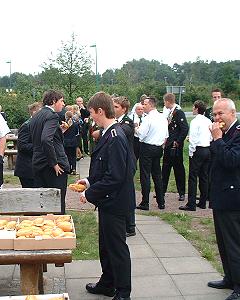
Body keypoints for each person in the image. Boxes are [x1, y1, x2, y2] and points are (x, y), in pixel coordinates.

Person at [77, 91, 135, 300]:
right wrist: (89, 181)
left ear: (100, 111)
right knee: (106, 246)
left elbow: (116, 176)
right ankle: (108, 283)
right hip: (109, 200)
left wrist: (90, 193)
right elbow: (105, 170)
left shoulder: (115, 136)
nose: (91, 117)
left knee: (117, 248)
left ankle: (123, 292)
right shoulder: (109, 133)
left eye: (92, 113)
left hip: (116, 201)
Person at [207, 98, 240, 300]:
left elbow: (231, 161)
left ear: (233, 114)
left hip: (233, 197)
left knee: (234, 243)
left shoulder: (237, 134)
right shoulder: (225, 133)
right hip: (220, 194)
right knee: (223, 242)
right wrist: (217, 140)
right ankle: (229, 277)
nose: (217, 118)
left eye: (221, 114)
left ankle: (239, 285)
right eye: (215, 114)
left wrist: (218, 139)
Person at [29, 90, 70, 214]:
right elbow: (46, 140)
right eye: (61, 100)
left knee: (42, 203)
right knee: (57, 203)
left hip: (38, 163)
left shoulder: (37, 115)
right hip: (52, 167)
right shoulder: (52, 115)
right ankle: (58, 231)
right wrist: (54, 163)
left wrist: (59, 131)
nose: (63, 104)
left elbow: (41, 137)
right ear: (53, 101)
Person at [136, 96, 168, 210]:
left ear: (150, 105)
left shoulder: (148, 118)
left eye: (144, 104)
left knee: (145, 175)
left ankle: (145, 202)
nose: (143, 106)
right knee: (157, 175)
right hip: (158, 147)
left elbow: (141, 134)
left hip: (147, 147)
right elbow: (166, 135)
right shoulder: (162, 117)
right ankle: (161, 202)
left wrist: (136, 128)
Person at [179, 100, 212, 211]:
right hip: (207, 148)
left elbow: (193, 139)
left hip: (198, 150)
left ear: (197, 108)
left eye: (193, 107)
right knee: (204, 176)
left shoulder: (194, 122)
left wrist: (191, 152)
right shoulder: (208, 121)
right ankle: (203, 202)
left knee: (193, 177)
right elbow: (211, 136)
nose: (193, 109)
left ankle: (191, 203)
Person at [113, 96, 136, 237]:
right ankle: (123, 222)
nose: (113, 109)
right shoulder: (117, 122)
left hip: (128, 163)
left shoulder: (127, 122)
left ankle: (130, 226)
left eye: (116, 107)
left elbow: (121, 131)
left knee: (127, 192)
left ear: (124, 109)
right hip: (121, 161)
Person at [161, 93, 189, 202]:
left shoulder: (179, 112)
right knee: (165, 169)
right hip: (168, 145)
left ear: (168, 101)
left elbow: (184, 128)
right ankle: (161, 191)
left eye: (164, 102)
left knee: (178, 170)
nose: (164, 104)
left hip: (175, 147)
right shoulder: (170, 112)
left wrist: (178, 141)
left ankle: (181, 192)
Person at [14, 102, 42, 188]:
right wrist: (40, 147)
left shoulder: (39, 124)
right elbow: (22, 146)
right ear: (34, 112)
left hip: (36, 167)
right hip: (27, 169)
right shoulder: (26, 126)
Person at [63, 110, 80, 174]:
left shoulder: (64, 124)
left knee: (67, 156)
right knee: (73, 156)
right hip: (73, 141)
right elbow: (77, 133)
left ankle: (68, 168)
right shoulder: (75, 124)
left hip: (66, 142)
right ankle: (74, 169)